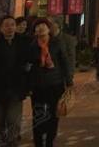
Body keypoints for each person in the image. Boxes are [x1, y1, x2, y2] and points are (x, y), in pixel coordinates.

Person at [28, 18, 73, 147]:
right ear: (35, 31)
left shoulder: (56, 43)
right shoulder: (32, 46)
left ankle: (49, 141)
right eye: (38, 26)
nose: (41, 28)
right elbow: (29, 66)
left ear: (49, 29)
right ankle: (38, 141)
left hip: (55, 83)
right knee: (38, 114)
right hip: (37, 85)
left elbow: (64, 62)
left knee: (54, 114)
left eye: (43, 25)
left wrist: (69, 81)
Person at [0, 15, 29, 147]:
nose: (10, 28)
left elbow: (29, 62)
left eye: (12, 25)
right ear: (1, 28)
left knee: (13, 120)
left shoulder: (23, 43)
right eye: (6, 25)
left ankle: (12, 142)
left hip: (16, 88)